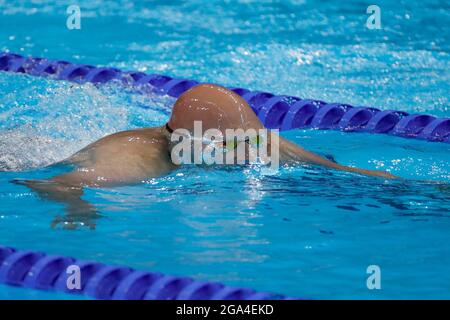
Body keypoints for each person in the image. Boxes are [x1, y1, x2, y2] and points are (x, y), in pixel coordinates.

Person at [16, 84, 396, 228]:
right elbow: (56, 182)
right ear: (195, 142)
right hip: (23, 155)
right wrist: (77, 209)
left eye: (249, 141)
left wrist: (427, 189)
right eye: (233, 146)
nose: (246, 153)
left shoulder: (247, 139)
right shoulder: (138, 161)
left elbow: (337, 170)